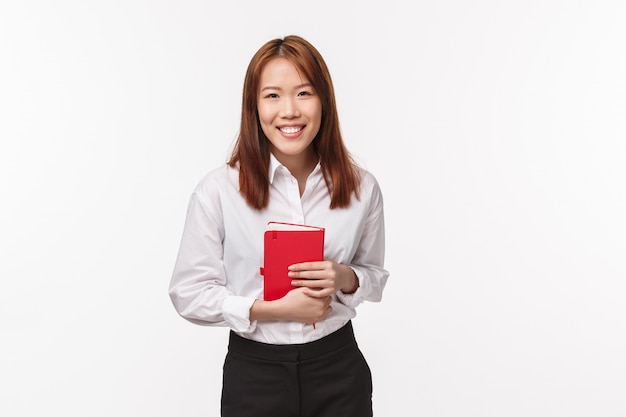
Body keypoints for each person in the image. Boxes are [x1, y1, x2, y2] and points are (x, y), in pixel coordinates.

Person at [169, 34, 390, 417]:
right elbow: (187, 293)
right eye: (272, 95)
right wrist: (269, 309)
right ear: (253, 107)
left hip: (338, 368)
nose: (289, 110)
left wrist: (344, 277)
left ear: (325, 101)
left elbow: (373, 275)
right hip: (256, 374)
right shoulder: (218, 191)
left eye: (304, 93)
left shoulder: (361, 188)